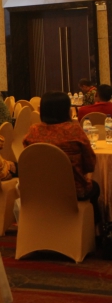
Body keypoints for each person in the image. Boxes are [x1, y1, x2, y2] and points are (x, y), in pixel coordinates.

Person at [23, 92, 100, 227]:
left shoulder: (33, 131)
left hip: (39, 190)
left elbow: (28, 161)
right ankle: (92, 229)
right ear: (67, 110)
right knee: (96, 188)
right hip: (73, 191)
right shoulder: (74, 130)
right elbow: (90, 165)